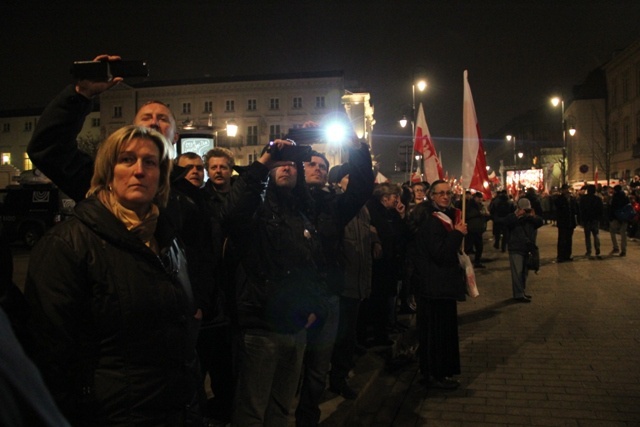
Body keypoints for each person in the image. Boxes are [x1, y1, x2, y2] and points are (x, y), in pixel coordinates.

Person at [23, 126, 200, 426]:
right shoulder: (67, 244)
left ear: (161, 176)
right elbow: (48, 357)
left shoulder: (168, 241)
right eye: (127, 160)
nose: (139, 171)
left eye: (150, 162)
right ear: (107, 171)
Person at [226, 139, 330, 426]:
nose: (287, 167)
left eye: (292, 163)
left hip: (295, 327)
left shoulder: (302, 214)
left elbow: (314, 267)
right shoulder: (256, 207)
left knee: (283, 408)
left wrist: (313, 307)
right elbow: (234, 214)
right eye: (280, 163)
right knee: (252, 410)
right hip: (261, 326)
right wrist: (264, 162)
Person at [295, 132, 373, 425]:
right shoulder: (286, 200)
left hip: (327, 295)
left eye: (323, 166)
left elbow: (363, 186)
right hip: (292, 297)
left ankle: (308, 417)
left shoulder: (335, 206)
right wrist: (295, 141)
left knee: (318, 368)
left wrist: (357, 147)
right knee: (291, 366)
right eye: (312, 164)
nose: (318, 169)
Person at [410, 180, 467, 389]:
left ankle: (437, 372)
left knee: (441, 331)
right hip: (435, 285)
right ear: (431, 196)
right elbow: (440, 253)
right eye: (440, 193)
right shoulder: (431, 220)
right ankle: (435, 374)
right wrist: (457, 234)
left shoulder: (441, 216)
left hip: (438, 285)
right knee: (437, 333)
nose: (445, 197)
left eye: (448, 193)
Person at [327, 164, 377, 401]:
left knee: (347, 338)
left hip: (356, 283)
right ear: (338, 182)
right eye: (349, 177)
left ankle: (340, 377)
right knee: (336, 338)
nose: (354, 181)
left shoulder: (363, 209)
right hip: (341, 284)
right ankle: (333, 379)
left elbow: (363, 245)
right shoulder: (335, 206)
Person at [362, 182, 410, 348]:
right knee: (377, 301)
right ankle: (377, 336)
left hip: (390, 262)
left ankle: (383, 331)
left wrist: (402, 216)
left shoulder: (392, 212)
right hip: (378, 265)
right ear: (385, 198)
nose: (398, 201)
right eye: (395, 197)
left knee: (386, 300)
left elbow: (401, 233)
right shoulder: (371, 210)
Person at [504, 198, 543, 302]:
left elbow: (540, 222)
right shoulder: (512, 217)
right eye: (524, 209)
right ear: (519, 208)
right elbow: (506, 222)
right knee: (518, 272)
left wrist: (532, 216)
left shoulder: (531, 218)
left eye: (527, 209)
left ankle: (522, 291)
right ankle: (518, 294)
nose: (526, 212)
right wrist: (518, 215)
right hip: (515, 247)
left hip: (527, 247)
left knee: (524, 272)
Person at [553, 184, 578, 262]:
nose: (567, 191)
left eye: (567, 189)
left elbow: (575, 209)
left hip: (570, 222)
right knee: (562, 239)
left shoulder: (572, 199)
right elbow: (558, 208)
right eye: (565, 189)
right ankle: (561, 256)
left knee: (569, 239)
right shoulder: (559, 199)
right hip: (563, 222)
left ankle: (568, 254)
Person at [464, 191, 489, 268]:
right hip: (472, 229)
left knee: (479, 247)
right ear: (475, 198)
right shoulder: (470, 205)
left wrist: (486, 215)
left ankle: (477, 262)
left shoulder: (480, 206)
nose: (480, 200)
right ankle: (463, 262)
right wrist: (480, 213)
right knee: (467, 247)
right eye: (479, 198)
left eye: (481, 198)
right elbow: (468, 215)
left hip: (478, 229)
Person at [579, 184, 603, 259]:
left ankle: (589, 250)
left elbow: (581, 209)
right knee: (596, 234)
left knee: (587, 236)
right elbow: (600, 209)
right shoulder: (598, 199)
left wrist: (581, 219)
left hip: (587, 219)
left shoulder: (583, 199)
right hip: (595, 219)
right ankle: (597, 249)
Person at [608, 184, 630, 256]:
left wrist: (610, 217)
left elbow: (612, 208)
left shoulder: (615, 198)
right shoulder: (626, 197)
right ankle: (624, 250)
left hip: (616, 217)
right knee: (623, 234)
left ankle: (616, 247)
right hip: (624, 218)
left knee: (612, 231)